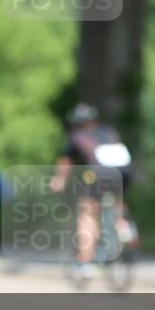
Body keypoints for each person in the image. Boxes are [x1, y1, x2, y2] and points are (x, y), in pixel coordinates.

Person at [49, 102, 134, 280]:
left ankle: (85, 263)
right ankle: (124, 226)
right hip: (124, 172)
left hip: (98, 174)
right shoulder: (109, 132)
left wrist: (59, 181)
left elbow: (66, 162)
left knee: (87, 214)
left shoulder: (76, 136)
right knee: (117, 199)